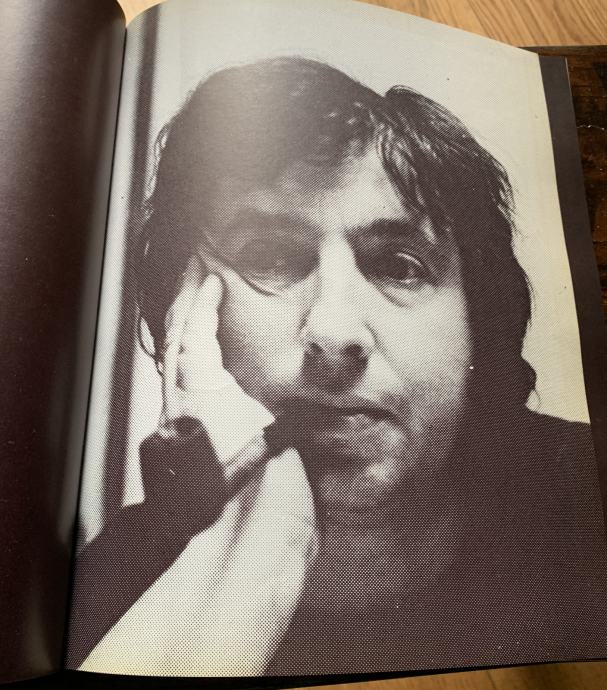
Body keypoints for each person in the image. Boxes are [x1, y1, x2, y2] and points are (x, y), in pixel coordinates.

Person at [68, 57, 607, 676]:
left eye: (399, 266)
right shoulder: (115, 578)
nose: (334, 332)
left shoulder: (587, 502)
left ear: (478, 326)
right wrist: (246, 540)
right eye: (270, 257)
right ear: (182, 307)